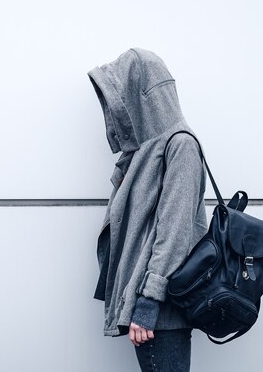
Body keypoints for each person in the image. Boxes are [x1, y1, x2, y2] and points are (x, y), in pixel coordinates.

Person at [87, 47, 209, 372]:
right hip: (154, 310)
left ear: (143, 98)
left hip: (161, 313)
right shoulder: (147, 152)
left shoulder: (180, 145)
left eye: (123, 99)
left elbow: (174, 235)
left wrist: (148, 303)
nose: (119, 110)